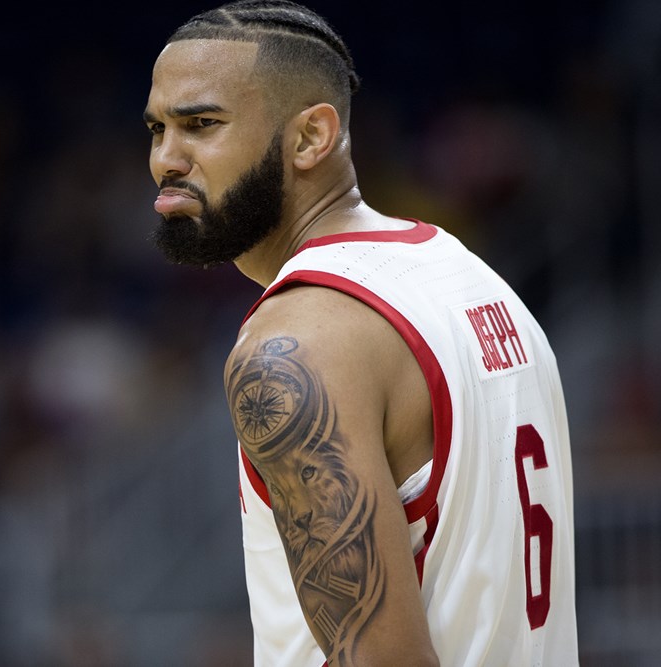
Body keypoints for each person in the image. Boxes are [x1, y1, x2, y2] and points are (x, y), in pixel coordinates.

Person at [143, 1, 579, 665]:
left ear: (312, 136)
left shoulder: (295, 344)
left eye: (201, 124)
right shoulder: (467, 275)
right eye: (157, 129)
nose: (165, 159)